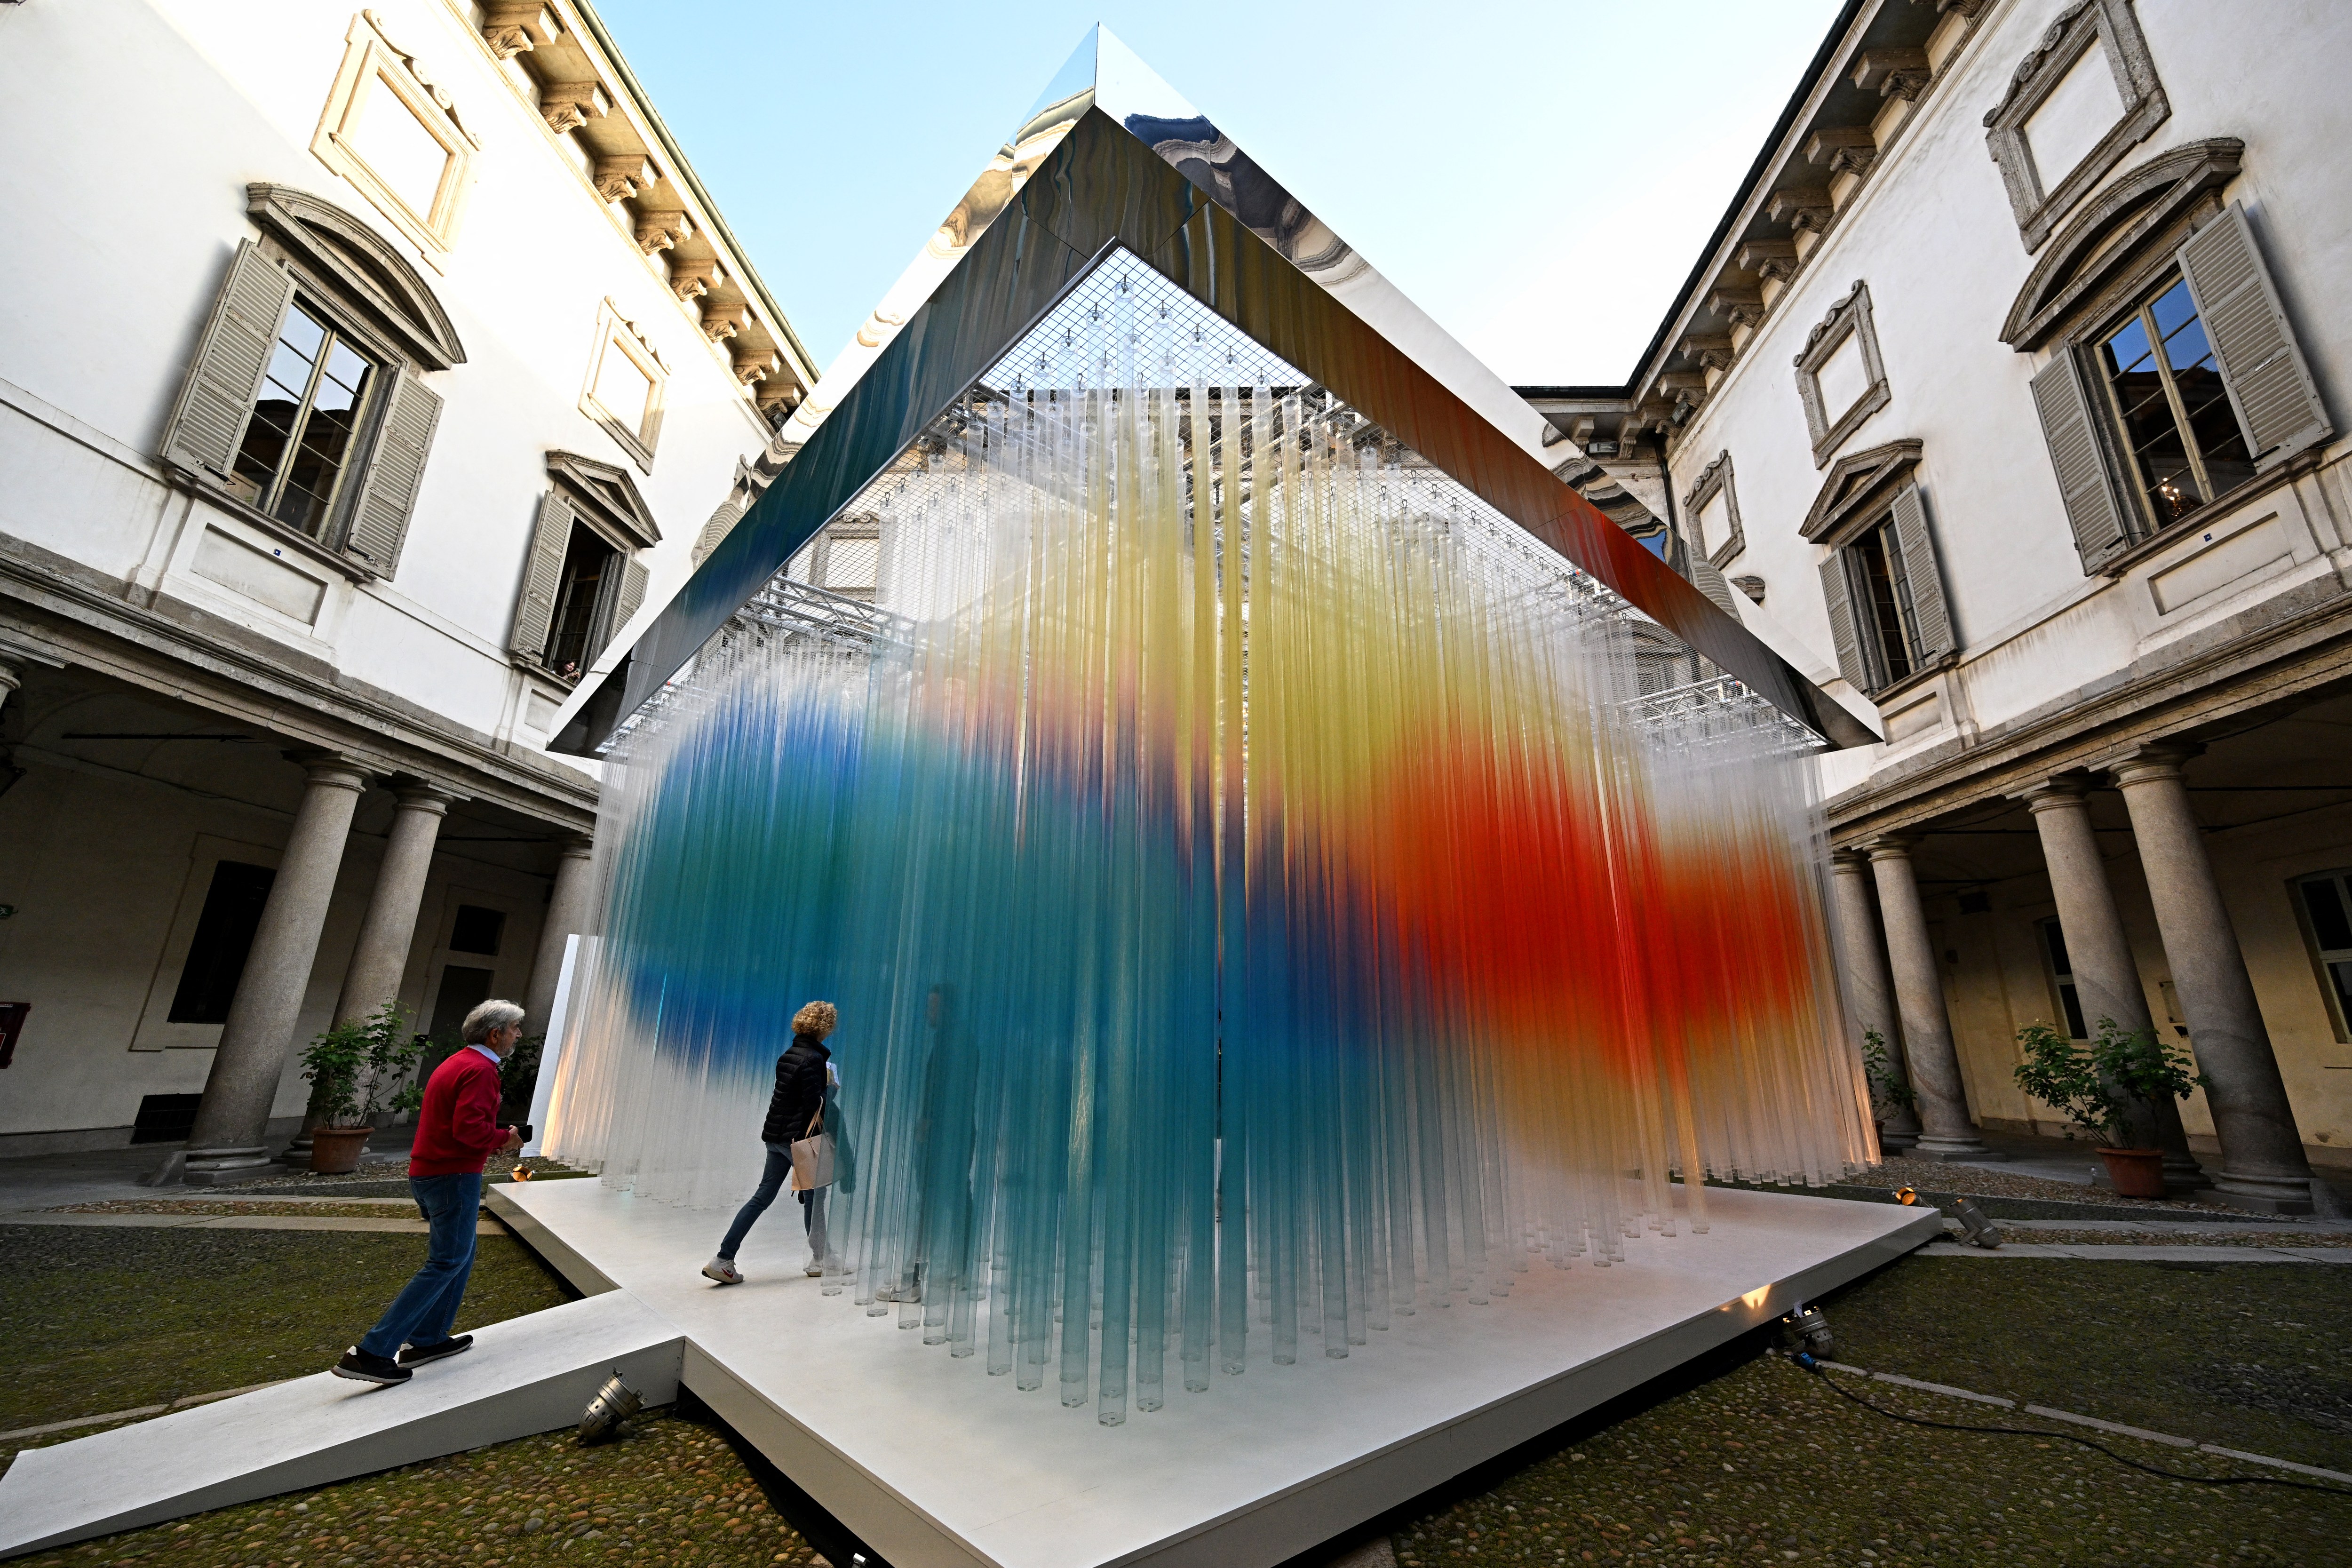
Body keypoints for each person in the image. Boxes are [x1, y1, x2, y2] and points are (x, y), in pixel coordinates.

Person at [332, 999, 525, 1385]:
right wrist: (506, 1138)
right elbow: (469, 1131)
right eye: (515, 1029)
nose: (518, 1035)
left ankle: (428, 1338)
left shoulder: (457, 1063)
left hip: (433, 1172)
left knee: (461, 1255)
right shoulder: (480, 1070)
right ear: (495, 1033)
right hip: (452, 1175)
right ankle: (371, 1351)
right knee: (446, 1261)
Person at [704, 1000, 839, 1284]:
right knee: (814, 1202)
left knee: (762, 1197)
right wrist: (832, 1089)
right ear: (824, 1028)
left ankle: (723, 1258)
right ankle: (820, 1260)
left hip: (776, 1137)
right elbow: (815, 1104)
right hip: (800, 1140)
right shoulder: (815, 1060)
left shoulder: (788, 1054)